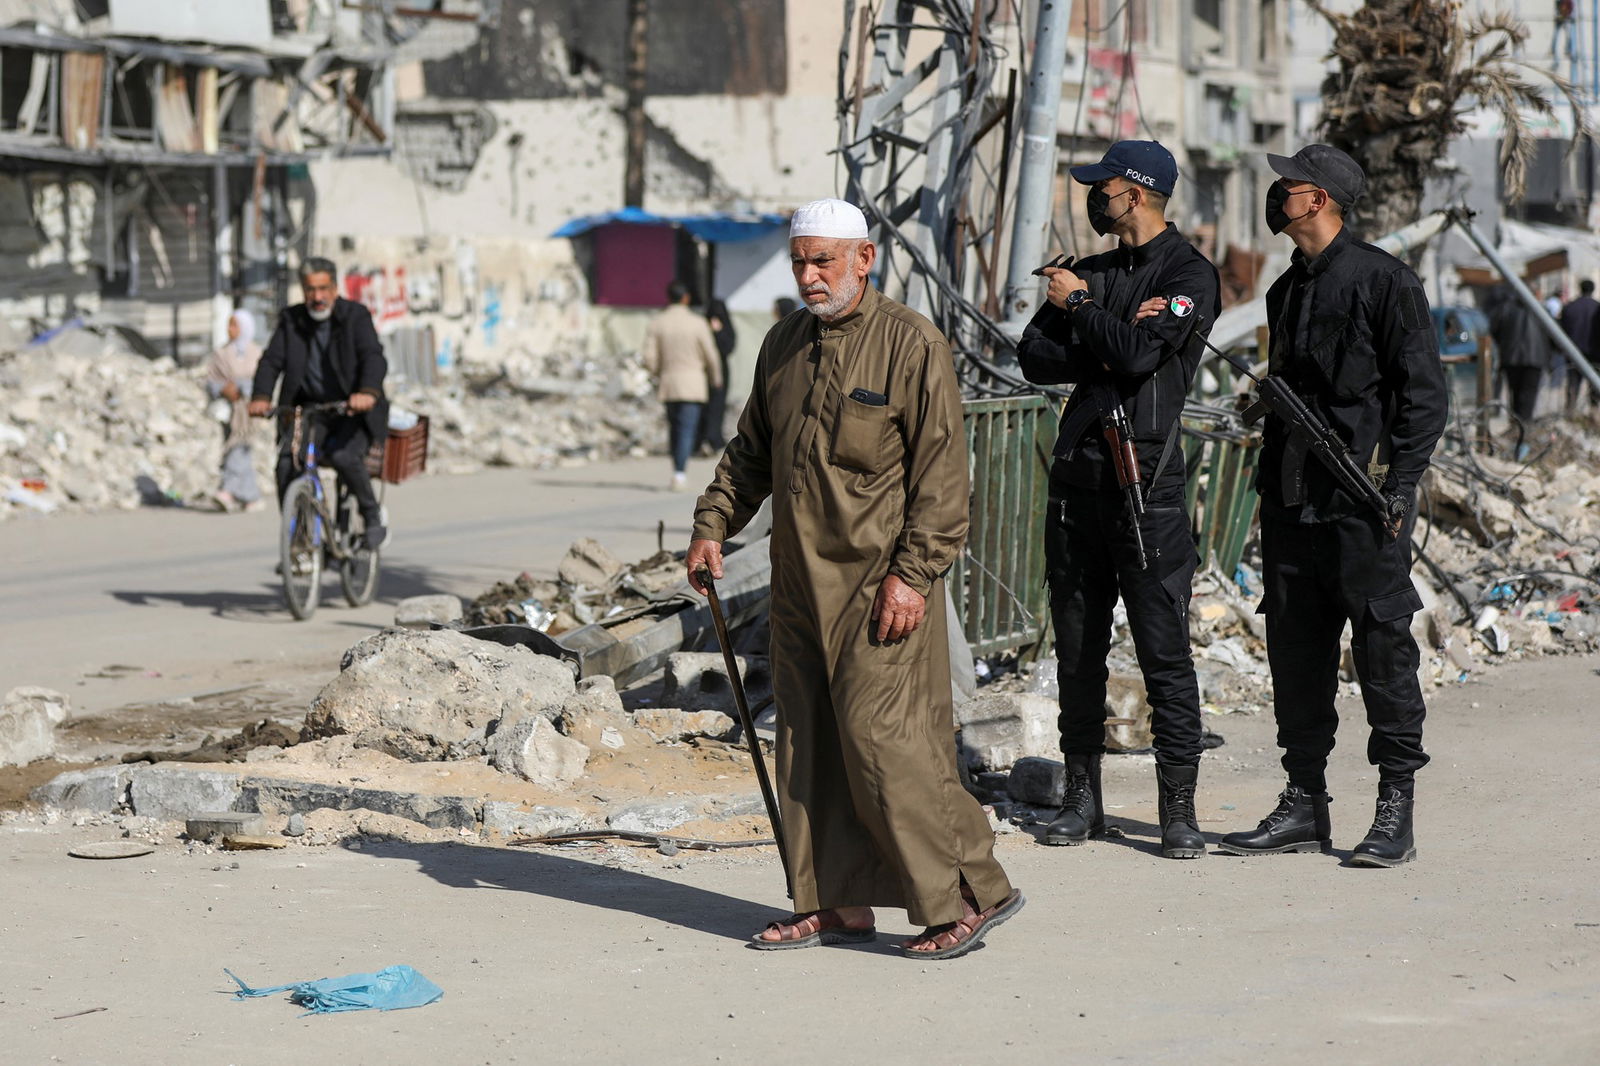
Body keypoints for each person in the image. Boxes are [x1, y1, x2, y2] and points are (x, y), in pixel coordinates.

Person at [685, 198, 1023, 959]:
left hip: (881, 589)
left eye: (823, 262)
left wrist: (913, 575)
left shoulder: (910, 344)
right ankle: (831, 902)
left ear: (864, 260)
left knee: (888, 743)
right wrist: (712, 526)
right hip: (799, 588)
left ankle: (967, 893)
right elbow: (748, 456)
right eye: (800, 261)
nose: (808, 276)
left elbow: (943, 479)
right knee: (808, 745)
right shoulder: (781, 345)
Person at [1218, 144, 1447, 867]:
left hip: (1364, 504)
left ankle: (1394, 807)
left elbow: (1424, 398)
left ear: (1317, 200)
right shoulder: (1285, 291)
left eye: (1288, 185)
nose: (1276, 193)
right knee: (1296, 654)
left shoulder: (1386, 281)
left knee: (1383, 650)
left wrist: (1401, 487)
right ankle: (1304, 801)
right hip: (1292, 503)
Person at [1016, 140, 1220, 860]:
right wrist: (1099, 331)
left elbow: (1141, 358)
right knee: (1078, 651)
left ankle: (1178, 809)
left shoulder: (1190, 272)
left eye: (1099, 188)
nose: (1091, 200)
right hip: (1079, 485)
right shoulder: (1093, 272)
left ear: (1133, 194)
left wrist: (1080, 311)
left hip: (1148, 487)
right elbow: (1033, 356)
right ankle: (1082, 799)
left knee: (1165, 652)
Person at [248, 257, 389, 549]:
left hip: (352, 410)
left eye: (324, 289)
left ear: (335, 289)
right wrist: (261, 397)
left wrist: (367, 392)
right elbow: (271, 361)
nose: (318, 297)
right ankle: (300, 542)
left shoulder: (355, 317)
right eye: (311, 290)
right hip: (310, 412)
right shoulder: (292, 320)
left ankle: (372, 515)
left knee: (343, 458)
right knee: (287, 464)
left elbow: (373, 357)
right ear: (303, 290)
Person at [641, 281, 721, 491]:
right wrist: (715, 377)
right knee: (687, 428)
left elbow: (649, 357)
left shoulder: (658, 322)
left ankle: (677, 467)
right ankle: (679, 473)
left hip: (668, 383)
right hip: (693, 383)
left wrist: (658, 372)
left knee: (675, 428)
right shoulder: (697, 323)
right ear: (685, 298)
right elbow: (710, 354)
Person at [205, 309, 264, 513]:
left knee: (239, 448)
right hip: (228, 412)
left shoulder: (255, 353)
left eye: (234, 325)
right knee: (236, 449)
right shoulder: (221, 353)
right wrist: (223, 388)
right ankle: (251, 497)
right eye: (229, 325)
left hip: (248, 412)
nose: (229, 329)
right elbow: (211, 380)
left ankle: (227, 491)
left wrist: (241, 389)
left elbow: (262, 380)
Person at [1486, 282, 1550, 440]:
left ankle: (1517, 428)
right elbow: (1551, 332)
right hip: (1535, 359)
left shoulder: (1506, 309)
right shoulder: (1540, 309)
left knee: (1515, 394)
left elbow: (1494, 330)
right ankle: (1523, 429)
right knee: (1528, 396)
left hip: (1511, 358)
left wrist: (1505, 345)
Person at [698, 296, 737, 454]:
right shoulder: (701, 327)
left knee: (717, 405)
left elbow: (728, 347)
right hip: (702, 371)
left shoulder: (725, 327)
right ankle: (701, 439)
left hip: (721, 371)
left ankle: (714, 439)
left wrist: (719, 331)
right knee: (703, 406)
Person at [1559, 279, 1599, 412]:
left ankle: (1570, 410)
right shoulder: (1597, 308)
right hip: (1594, 353)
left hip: (1573, 352)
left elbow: (1561, 330)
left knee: (1573, 383)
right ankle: (1593, 412)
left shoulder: (1570, 307)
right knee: (1594, 385)